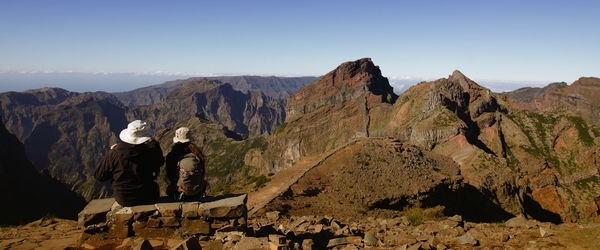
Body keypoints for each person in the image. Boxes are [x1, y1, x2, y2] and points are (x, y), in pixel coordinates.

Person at [94, 120, 164, 207]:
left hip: (124, 199)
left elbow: (99, 176)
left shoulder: (114, 154)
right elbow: (160, 162)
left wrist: (111, 155)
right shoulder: (151, 151)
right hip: (148, 196)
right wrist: (154, 143)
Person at [165, 127, 207, 200]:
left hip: (179, 194)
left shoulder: (172, 155)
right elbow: (202, 172)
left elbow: (170, 175)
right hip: (198, 192)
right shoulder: (197, 154)